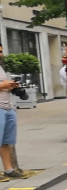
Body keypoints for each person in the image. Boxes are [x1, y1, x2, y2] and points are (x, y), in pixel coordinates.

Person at [0, 41, 32, 181]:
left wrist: (10, 86)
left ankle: (8, 169)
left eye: (1, 51)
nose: (0, 54)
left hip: (7, 107)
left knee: (6, 141)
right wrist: (4, 85)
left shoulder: (1, 68)